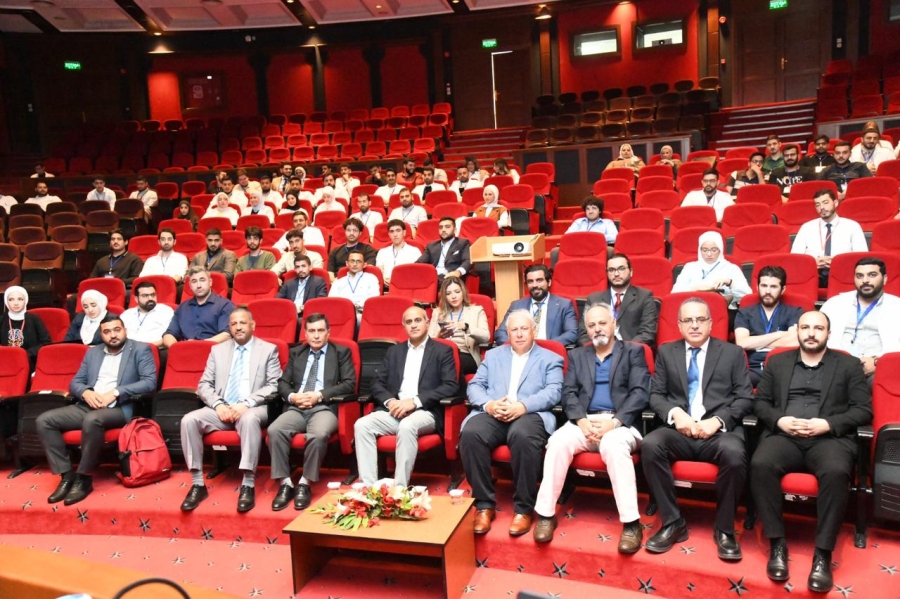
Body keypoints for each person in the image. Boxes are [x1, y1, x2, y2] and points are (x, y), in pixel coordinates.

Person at [751, 311, 872, 593]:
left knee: (836, 471)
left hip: (828, 438)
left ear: (828, 333)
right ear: (798, 331)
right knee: (761, 463)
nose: (811, 333)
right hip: (786, 436)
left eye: (818, 328)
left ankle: (823, 554)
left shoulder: (848, 364)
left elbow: (863, 410)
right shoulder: (778, 362)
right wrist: (780, 420)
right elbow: (760, 403)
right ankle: (777, 543)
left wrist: (828, 424)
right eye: (805, 327)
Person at [641, 298, 754, 559]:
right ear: (679, 325)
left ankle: (724, 529)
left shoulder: (732, 353)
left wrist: (718, 420)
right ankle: (673, 522)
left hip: (718, 433)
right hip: (679, 431)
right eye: (688, 320)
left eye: (700, 319)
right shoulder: (667, 352)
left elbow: (745, 398)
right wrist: (676, 414)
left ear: (711, 324)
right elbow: (656, 395)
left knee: (735, 454)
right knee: (650, 444)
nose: (694, 325)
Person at [533, 304, 650, 550]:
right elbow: (568, 393)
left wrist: (613, 423)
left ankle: (631, 523)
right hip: (585, 421)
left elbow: (640, 393)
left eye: (602, 323)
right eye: (591, 325)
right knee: (557, 442)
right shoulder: (578, 355)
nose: (597, 329)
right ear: (586, 330)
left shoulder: (633, 352)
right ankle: (545, 514)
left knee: (613, 445)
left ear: (614, 323)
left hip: (620, 424)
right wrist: (582, 421)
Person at [460, 310, 564, 536]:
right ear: (508, 333)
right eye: (514, 330)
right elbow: (475, 385)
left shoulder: (550, 358)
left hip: (530, 413)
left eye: (524, 329)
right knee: (471, 433)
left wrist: (523, 406)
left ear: (533, 330)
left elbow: (554, 392)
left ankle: (523, 509)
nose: (519, 334)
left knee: (522, 436)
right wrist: (489, 404)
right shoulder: (493, 356)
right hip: (495, 411)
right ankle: (484, 506)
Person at [37, 314, 156, 505]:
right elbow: (75, 382)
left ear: (125, 330)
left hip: (120, 408)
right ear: (101, 335)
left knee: (92, 420)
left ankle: (84, 478)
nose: (113, 335)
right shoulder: (93, 352)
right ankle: (66, 475)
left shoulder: (140, 349)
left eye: (117, 330)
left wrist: (116, 392)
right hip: (89, 405)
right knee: (44, 420)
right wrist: (86, 393)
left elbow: (149, 382)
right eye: (107, 332)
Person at [179, 307, 282, 513]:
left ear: (253, 325)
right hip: (222, 408)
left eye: (242, 323)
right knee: (188, 420)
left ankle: (248, 483)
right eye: (234, 324)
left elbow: (274, 385)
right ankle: (198, 483)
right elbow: (204, 385)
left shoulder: (268, 350)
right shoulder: (217, 350)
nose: (238, 327)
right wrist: (218, 405)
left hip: (253, 408)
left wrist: (246, 403)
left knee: (249, 419)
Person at [354, 306, 458, 487]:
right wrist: (391, 402)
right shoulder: (394, 351)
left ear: (427, 323)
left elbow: (450, 386)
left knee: (407, 425)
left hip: (425, 411)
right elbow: (377, 383)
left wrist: (415, 402)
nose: (414, 325)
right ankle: (368, 488)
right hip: (395, 410)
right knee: (362, 425)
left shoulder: (442, 351)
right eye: (409, 322)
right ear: (404, 326)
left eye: (418, 320)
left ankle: (399, 489)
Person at [269, 314, 357, 510]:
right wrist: (293, 397)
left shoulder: (341, 352)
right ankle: (285, 483)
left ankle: (304, 482)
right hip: (297, 407)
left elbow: (349, 384)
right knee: (275, 430)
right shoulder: (297, 353)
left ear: (328, 333)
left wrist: (319, 395)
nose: (316, 335)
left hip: (324, 407)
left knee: (318, 434)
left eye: (320, 331)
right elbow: (283, 383)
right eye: (312, 331)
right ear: (305, 333)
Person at [820, 256, 900, 385]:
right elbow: (817, 336)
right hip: (837, 366)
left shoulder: (897, 306)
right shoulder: (834, 303)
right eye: (859, 276)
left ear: (884, 279)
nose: (865, 280)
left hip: (879, 369)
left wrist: (877, 362)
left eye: (872, 275)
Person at [734, 266, 803, 386]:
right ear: (757, 287)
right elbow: (742, 343)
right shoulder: (744, 313)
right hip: (753, 368)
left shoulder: (795, 312)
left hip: (784, 367)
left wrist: (754, 343)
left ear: (783, 289)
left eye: (773, 286)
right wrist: (780, 334)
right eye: (764, 286)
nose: (767, 291)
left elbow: (794, 342)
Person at [790, 188, 867, 286]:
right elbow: (795, 258)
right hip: (812, 274)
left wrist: (838, 263)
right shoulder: (806, 227)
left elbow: (862, 257)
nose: (821, 207)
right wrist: (812, 263)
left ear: (835, 203)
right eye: (817, 204)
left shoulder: (852, 226)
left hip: (844, 274)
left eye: (825, 203)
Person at [579, 253, 658, 346]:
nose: (616, 274)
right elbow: (584, 334)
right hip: (600, 350)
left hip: (631, 351)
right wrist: (601, 349)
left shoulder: (644, 296)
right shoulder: (594, 299)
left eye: (621, 268)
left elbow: (647, 333)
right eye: (611, 270)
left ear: (631, 272)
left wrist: (624, 350)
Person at [495, 265, 578, 346]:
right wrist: (516, 345)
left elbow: (572, 333)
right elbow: (501, 333)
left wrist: (546, 347)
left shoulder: (564, 305)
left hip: (550, 351)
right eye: (530, 281)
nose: (534, 285)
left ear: (549, 282)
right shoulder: (516, 306)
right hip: (521, 351)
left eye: (539, 280)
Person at [427, 276, 490, 376]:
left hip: (466, 354)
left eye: (457, 292)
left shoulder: (476, 311)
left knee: (449, 363)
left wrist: (466, 327)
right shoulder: (437, 313)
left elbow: (486, 337)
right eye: (448, 293)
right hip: (443, 353)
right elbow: (429, 342)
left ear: (463, 292)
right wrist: (439, 337)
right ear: (444, 296)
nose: (453, 296)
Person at [672, 231, 751, 309]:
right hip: (692, 309)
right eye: (705, 250)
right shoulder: (689, 267)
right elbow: (675, 293)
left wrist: (730, 283)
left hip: (723, 310)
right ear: (699, 250)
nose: (709, 254)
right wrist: (695, 288)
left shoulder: (732, 268)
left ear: (720, 249)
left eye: (714, 250)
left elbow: (747, 296)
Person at [162, 266, 234, 348]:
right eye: (194, 281)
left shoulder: (225, 305)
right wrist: (177, 348)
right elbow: (169, 334)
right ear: (190, 285)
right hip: (185, 351)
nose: (198, 285)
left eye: (202, 280)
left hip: (214, 351)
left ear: (210, 282)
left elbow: (226, 335)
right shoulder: (182, 308)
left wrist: (197, 345)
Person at [0, 286, 51, 367]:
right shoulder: (2, 320)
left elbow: (46, 343)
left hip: (30, 361)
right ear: (6, 302)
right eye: (11, 299)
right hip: (6, 361)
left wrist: (26, 353)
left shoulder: (34, 319)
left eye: (20, 299)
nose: (16, 303)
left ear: (25, 300)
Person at [415, 216, 471, 283]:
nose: (443, 230)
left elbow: (467, 261)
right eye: (441, 227)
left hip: (451, 277)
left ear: (455, 230)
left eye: (447, 227)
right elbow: (419, 263)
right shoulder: (431, 246)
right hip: (433, 277)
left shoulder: (462, 243)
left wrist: (458, 272)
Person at [120, 280, 175, 348]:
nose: (150, 298)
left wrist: (145, 347)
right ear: (136, 299)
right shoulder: (126, 314)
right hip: (129, 350)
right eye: (145, 296)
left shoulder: (166, 311)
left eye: (153, 295)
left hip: (155, 349)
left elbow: (169, 336)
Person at [328, 250, 380, 318]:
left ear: (364, 265)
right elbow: (332, 300)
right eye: (352, 261)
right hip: (341, 314)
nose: (355, 264)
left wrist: (356, 306)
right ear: (347, 263)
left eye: (358, 261)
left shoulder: (371, 278)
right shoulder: (338, 282)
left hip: (363, 313)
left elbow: (373, 298)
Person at [376, 219, 421, 287]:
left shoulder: (415, 251)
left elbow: (416, 273)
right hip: (386, 287)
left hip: (406, 286)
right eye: (392, 231)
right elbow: (379, 272)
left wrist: (396, 281)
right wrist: (383, 279)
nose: (395, 234)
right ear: (389, 234)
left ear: (404, 233)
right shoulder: (382, 252)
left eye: (398, 230)